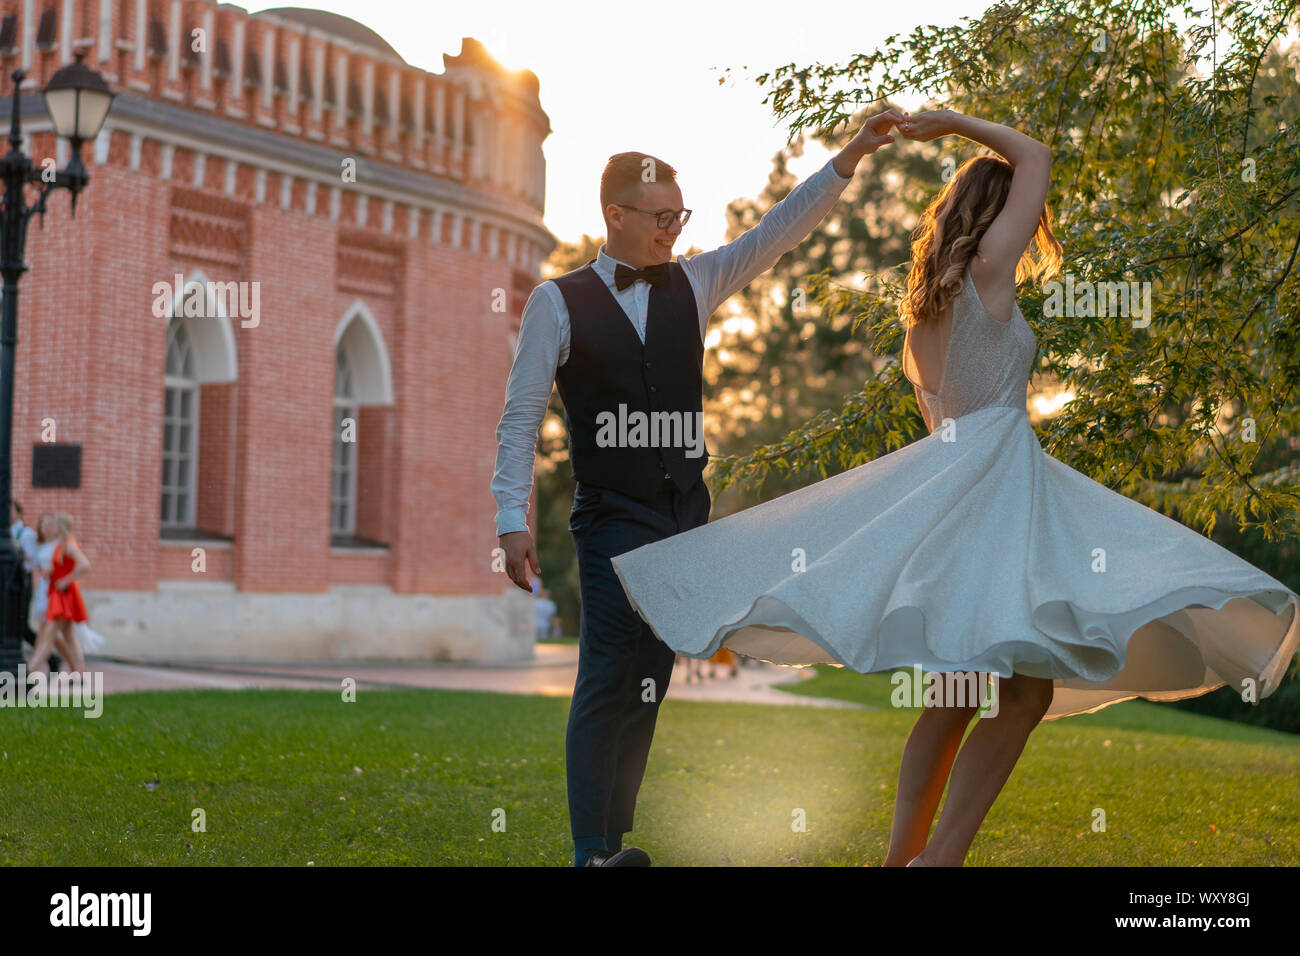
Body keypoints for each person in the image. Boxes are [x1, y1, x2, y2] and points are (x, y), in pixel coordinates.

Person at [608, 108, 1300, 867]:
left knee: (958, 695)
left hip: (961, 490)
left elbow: (941, 424)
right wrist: (950, 123)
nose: (1033, 231)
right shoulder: (987, 276)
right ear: (997, 218)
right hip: (997, 491)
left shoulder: (924, 316)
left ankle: (907, 859)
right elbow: (1035, 153)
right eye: (1022, 218)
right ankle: (935, 862)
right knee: (1020, 694)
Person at [493, 109, 902, 866]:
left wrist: (847, 158)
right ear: (614, 215)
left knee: (650, 679)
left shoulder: (696, 280)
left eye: (680, 215)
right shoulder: (557, 303)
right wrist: (508, 517)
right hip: (611, 518)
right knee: (606, 673)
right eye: (659, 217)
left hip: (686, 518)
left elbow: (777, 233)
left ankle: (612, 846)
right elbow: (520, 418)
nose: (672, 230)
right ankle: (589, 854)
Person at [27, 512, 89, 677]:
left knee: (49, 634)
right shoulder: (61, 545)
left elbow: (84, 565)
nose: (50, 527)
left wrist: (65, 580)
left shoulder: (67, 545)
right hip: (56, 592)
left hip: (62, 595)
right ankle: (80, 673)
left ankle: (30, 671)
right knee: (68, 636)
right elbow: (62, 567)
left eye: (54, 525)